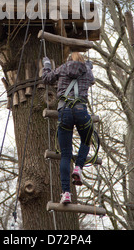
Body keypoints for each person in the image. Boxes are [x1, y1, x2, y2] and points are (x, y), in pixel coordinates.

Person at [42, 52, 95, 204]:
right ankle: (78, 167)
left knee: (65, 154)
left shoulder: (62, 68)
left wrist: (46, 66)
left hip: (64, 110)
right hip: (81, 111)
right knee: (86, 141)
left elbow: (46, 79)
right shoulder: (86, 71)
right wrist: (89, 67)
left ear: (68, 60)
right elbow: (92, 80)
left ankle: (66, 193)